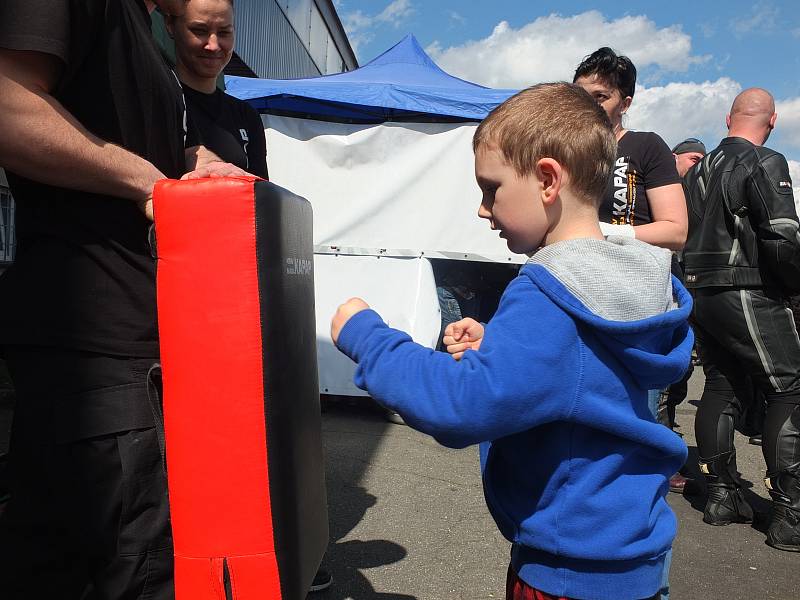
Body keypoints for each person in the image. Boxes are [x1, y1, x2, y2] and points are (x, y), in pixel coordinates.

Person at [330, 83, 692, 600]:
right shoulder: (631, 281)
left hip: (568, 572)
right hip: (629, 558)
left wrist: (369, 338)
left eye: (491, 188)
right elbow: (582, 374)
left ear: (548, 179)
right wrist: (497, 343)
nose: (483, 209)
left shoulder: (550, 290)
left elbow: (462, 407)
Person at [0, 1, 247, 597]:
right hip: (101, 358)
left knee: (56, 566)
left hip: (125, 354)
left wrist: (190, 164)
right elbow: (8, 107)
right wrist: (148, 180)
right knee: (136, 571)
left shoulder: (145, 33)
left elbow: (128, 150)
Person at [683, 87, 800, 551]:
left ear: (725, 118)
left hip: (701, 292)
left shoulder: (695, 173)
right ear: (772, 121)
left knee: (721, 386)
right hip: (747, 288)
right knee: (791, 386)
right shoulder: (766, 161)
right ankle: (791, 515)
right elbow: (782, 240)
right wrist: (793, 288)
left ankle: (722, 495)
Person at [573, 47, 687, 252]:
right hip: (581, 274)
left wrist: (605, 232)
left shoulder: (647, 146)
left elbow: (676, 232)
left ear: (624, 105)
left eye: (600, 96)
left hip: (640, 274)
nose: (587, 104)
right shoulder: (563, 152)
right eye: (580, 95)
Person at [166, 0, 268, 179]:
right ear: (170, 25)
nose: (213, 45)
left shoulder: (246, 116)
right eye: (199, 31)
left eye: (224, 32)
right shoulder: (159, 97)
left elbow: (258, 195)